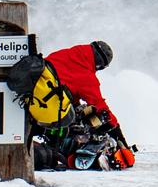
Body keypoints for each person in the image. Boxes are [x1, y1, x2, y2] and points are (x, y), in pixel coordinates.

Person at [37, 40, 136, 170]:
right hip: (47, 110)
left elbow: (65, 85)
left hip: (33, 99)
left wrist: (76, 106)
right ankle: (61, 149)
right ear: (99, 63)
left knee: (80, 111)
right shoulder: (86, 75)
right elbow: (100, 107)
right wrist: (118, 135)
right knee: (96, 115)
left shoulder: (66, 54)